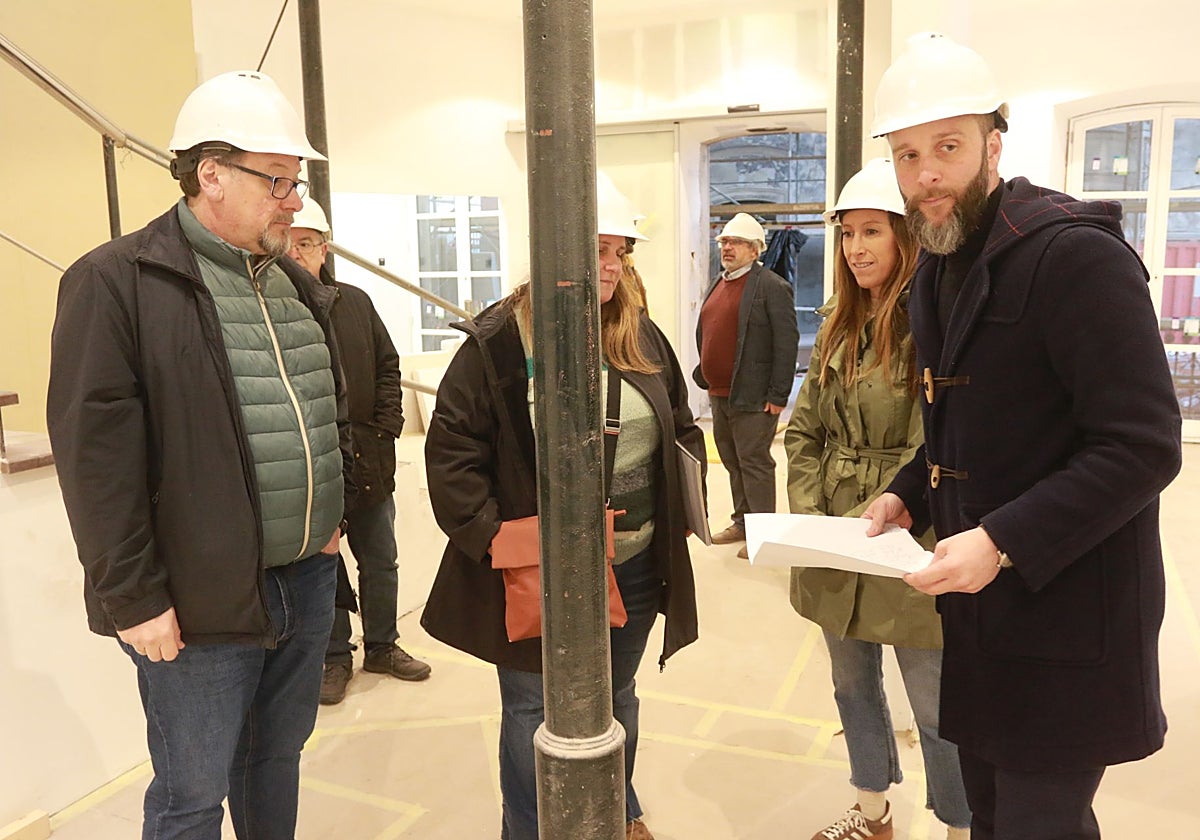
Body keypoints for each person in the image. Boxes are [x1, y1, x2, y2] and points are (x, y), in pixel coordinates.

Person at [862, 33, 1182, 839]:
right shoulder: (938, 267)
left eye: (946, 147)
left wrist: (1000, 538)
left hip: (1069, 616)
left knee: (1040, 822)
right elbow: (965, 424)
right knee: (994, 819)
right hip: (984, 622)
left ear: (992, 145)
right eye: (907, 156)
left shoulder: (1075, 257)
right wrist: (907, 492)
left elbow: (1143, 445)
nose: (925, 173)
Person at [46, 70, 353, 840]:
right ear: (209, 174)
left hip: (306, 577)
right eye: (277, 179)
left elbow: (324, 409)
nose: (293, 199)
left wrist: (331, 521)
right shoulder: (115, 282)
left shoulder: (291, 282)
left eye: (297, 180)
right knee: (192, 791)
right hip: (195, 598)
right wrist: (134, 598)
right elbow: (96, 461)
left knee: (274, 761)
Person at [420, 186, 705, 840]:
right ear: (551, 252)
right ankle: (533, 830)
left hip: (632, 560)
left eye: (619, 251)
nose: (610, 265)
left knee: (618, 695)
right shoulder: (497, 344)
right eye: (595, 250)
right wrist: (498, 541)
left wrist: (684, 502)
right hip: (538, 566)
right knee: (531, 707)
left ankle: (613, 810)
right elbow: (453, 452)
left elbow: (683, 427)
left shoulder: (642, 334)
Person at [785, 158, 970, 840]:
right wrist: (811, 515)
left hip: (911, 532)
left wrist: (907, 510)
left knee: (935, 700)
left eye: (871, 233)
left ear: (904, 237)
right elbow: (803, 427)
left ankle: (959, 826)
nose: (856, 248)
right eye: (846, 234)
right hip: (836, 528)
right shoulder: (836, 319)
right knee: (851, 684)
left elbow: (945, 442)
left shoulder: (936, 319)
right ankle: (872, 814)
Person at [286, 201, 432, 705]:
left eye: (306, 243)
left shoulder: (355, 302)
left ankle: (383, 646)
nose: (296, 252)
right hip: (313, 467)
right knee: (322, 566)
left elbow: (387, 366)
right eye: (287, 240)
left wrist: (387, 427)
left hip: (368, 460)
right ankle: (333, 658)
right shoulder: (272, 310)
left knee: (379, 559)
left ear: (323, 249)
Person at [694, 212, 800, 558]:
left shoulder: (771, 286)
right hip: (720, 393)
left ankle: (763, 535)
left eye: (736, 242)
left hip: (755, 396)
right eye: (724, 241)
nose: (727, 247)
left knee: (754, 463)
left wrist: (778, 396)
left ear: (755, 250)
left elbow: (786, 343)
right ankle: (743, 522)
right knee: (732, 460)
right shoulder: (717, 283)